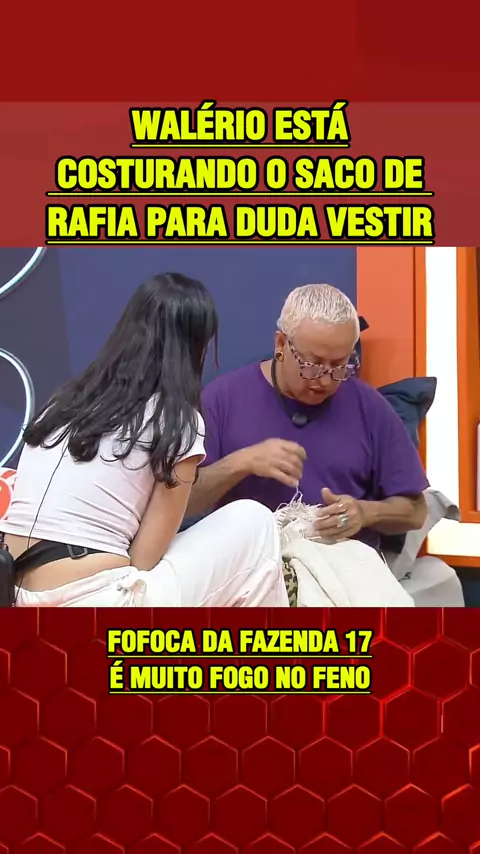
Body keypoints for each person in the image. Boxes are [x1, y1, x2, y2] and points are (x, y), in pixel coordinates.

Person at [1, 273, 287, 607]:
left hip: (15, 595)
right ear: (198, 346)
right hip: (97, 601)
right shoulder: (178, 419)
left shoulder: (61, 402)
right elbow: (145, 560)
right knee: (255, 522)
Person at [187, 283, 428, 553]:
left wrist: (364, 513)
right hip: (251, 562)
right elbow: (183, 502)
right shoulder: (222, 399)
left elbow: (416, 510)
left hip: (342, 563)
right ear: (281, 344)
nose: (325, 380)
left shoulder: (369, 407)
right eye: (312, 365)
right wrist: (241, 463)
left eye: (339, 365)